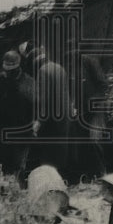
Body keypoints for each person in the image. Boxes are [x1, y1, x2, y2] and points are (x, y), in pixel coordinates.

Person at [0, 50, 35, 177]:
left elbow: (35, 105)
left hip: (23, 127)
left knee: (19, 162)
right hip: (4, 127)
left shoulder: (28, 81)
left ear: (18, 66)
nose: (9, 71)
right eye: (7, 69)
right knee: (4, 161)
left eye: (12, 69)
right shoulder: (0, 80)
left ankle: (18, 184)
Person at [31, 45, 74, 173]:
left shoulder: (42, 71)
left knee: (49, 155)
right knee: (61, 151)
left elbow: (44, 99)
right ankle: (64, 178)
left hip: (52, 119)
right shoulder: (59, 67)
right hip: (64, 115)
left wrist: (39, 121)